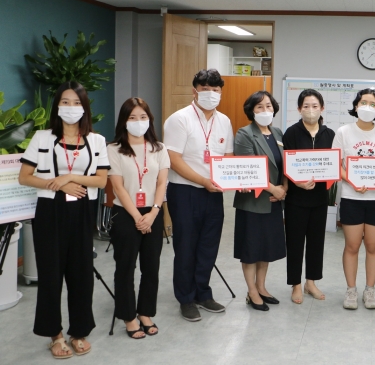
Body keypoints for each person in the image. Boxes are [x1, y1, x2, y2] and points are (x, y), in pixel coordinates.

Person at [18, 81, 110, 359]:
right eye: (66, 102)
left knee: (82, 274)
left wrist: (70, 178)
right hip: (50, 212)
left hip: (83, 210)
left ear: (85, 107)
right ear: (58, 106)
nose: (71, 108)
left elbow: (101, 179)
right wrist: (57, 186)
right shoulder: (42, 138)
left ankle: (78, 331)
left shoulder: (96, 140)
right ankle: (55, 334)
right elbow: (25, 177)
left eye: (77, 102)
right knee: (51, 275)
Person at [163, 69, 234, 322]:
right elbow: (173, 159)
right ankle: (186, 297)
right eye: (205, 89)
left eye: (215, 90)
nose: (211, 94)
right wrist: (204, 180)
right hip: (185, 191)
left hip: (213, 193)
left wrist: (227, 178)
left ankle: (203, 293)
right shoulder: (179, 119)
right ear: (195, 91)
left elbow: (226, 157)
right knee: (186, 246)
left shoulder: (224, 121)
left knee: (208, 245)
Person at [108, 98, 170, 338]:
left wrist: (154, 212)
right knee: (125, 267)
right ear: (124, 121)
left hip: (153, 213)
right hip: (126, 214)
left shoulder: (159, 148)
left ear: (149, 120)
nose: (138, 122)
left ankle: (145, 312)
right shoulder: (113, 149)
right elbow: (118, 187)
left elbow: (162, 182)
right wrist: (137, 216)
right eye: (132, 117)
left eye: (142, 117)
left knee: (151, 267)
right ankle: (128, 316)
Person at [332, 88, 375, 310]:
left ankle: (370, 290)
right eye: (363, 102)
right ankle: (351, 290)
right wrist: (352, 181)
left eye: (373, 104)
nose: (368, 107)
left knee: (373, 245)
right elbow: (335, 164)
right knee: (352, 245)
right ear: (356, 105)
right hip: (351, 196)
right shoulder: (343, 132)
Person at [233, 91, 287, 312]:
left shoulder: (277, 132)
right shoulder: (245, 134)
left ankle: (262, 287)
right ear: (251, 111)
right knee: (251, 249)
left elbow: (285, 164)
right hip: (252, 203)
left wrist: (284, 187)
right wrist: (274, 188)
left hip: (274, 200)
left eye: (268, 106)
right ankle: (251, 292)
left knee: (266, 248)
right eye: (259, 107)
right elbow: (247, 168)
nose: (265, 111)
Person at [282, 89, 335, 304]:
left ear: (322, 109)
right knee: (295, 242)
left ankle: (310, 281)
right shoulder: (291, 133)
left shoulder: (330, 135)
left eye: (315, 106)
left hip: (320, 199)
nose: (311, 110)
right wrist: (297, 182)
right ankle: (295, 284)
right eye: (306, 106)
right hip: (296, 198)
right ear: (299, 109)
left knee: (316, 242)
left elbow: (333, 164)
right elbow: (285, 164)